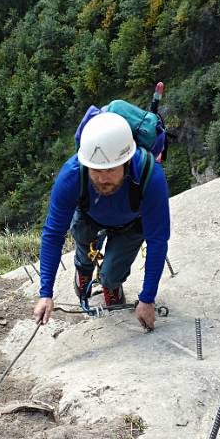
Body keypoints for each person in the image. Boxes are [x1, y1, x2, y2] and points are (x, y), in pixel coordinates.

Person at [33, 111, 170, 329]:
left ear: (126, 161)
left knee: (111, 275)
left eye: (111, 170)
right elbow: (53, 233)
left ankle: (111, 283)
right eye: (96, 170)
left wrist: (147, 298)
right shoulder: (72, 175)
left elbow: (157, 240)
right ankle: (84, 270)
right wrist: (45, 293)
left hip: (131, 224)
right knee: (83, 241)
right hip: (90, 216)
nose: (103, 179)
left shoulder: (149, 176)